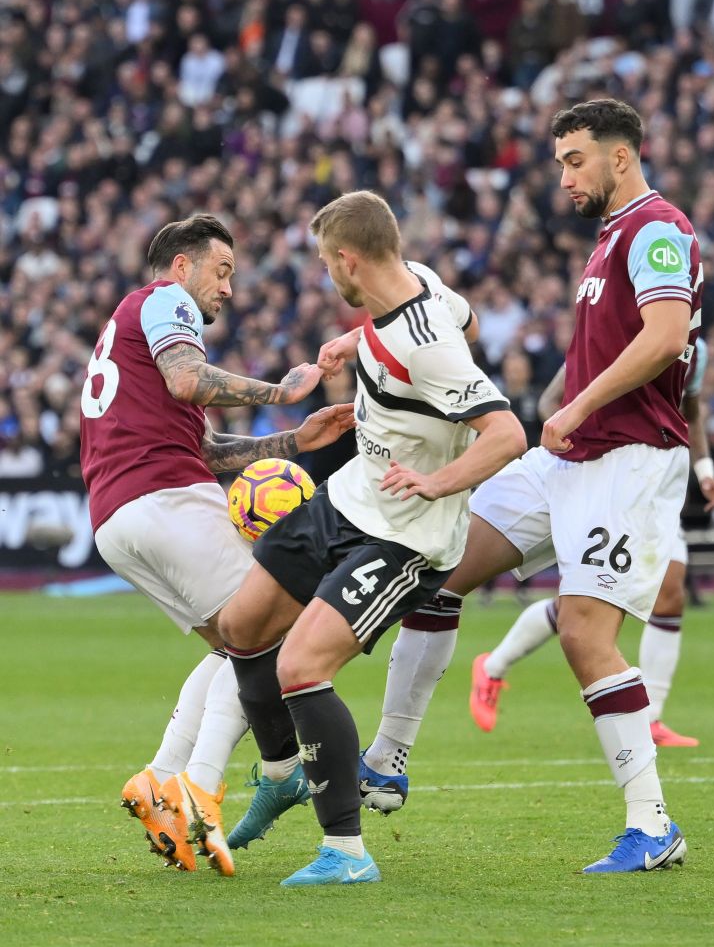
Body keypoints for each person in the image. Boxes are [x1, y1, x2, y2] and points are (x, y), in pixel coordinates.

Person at [362, 100, 702, 873]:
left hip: (627, 459)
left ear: (621, 157)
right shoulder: (610, 237)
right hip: (569, 456)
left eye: (574, 159)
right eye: (559, 162)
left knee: (585, 634)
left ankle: (652, 825)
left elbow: (666, 334)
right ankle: (386, 757)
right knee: (436, 568)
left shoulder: (655, 228)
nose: (563, 176)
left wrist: (577, 403)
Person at [212, 190, 526, 886]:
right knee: (241, 625)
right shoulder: (416, 283)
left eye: (328, 263)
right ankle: (284, 773)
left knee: (301, 665)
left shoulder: (430, 342)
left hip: (404, 536)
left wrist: (440, 483)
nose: (327, 274)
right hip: (351, 498)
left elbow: (507, 433)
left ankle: (347, 852)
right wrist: (357, 339)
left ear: (350, 260)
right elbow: (462, 312)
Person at [79, 213, 354, 876]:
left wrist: (293, 438)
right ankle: (201, 788)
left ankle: (161, 778)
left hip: (118, 517)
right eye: (222, 270)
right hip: (166, 498)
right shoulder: (164, 302)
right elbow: (186, 379)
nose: (228, 287)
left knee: (237, 644)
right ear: (183, 266)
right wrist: (277, 390)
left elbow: (201, 443)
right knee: (270, 637)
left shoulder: (132, 328)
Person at [470, 339, 714, 744]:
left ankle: (652, 718)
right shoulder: (604, 331)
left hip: (650, 481)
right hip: (596, 479)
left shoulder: (691, 344)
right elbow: (551, 402)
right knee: (585, 608)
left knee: (668, 592)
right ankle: (492, 667)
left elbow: (689, 411)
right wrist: (578, 438)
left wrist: (706, 469)